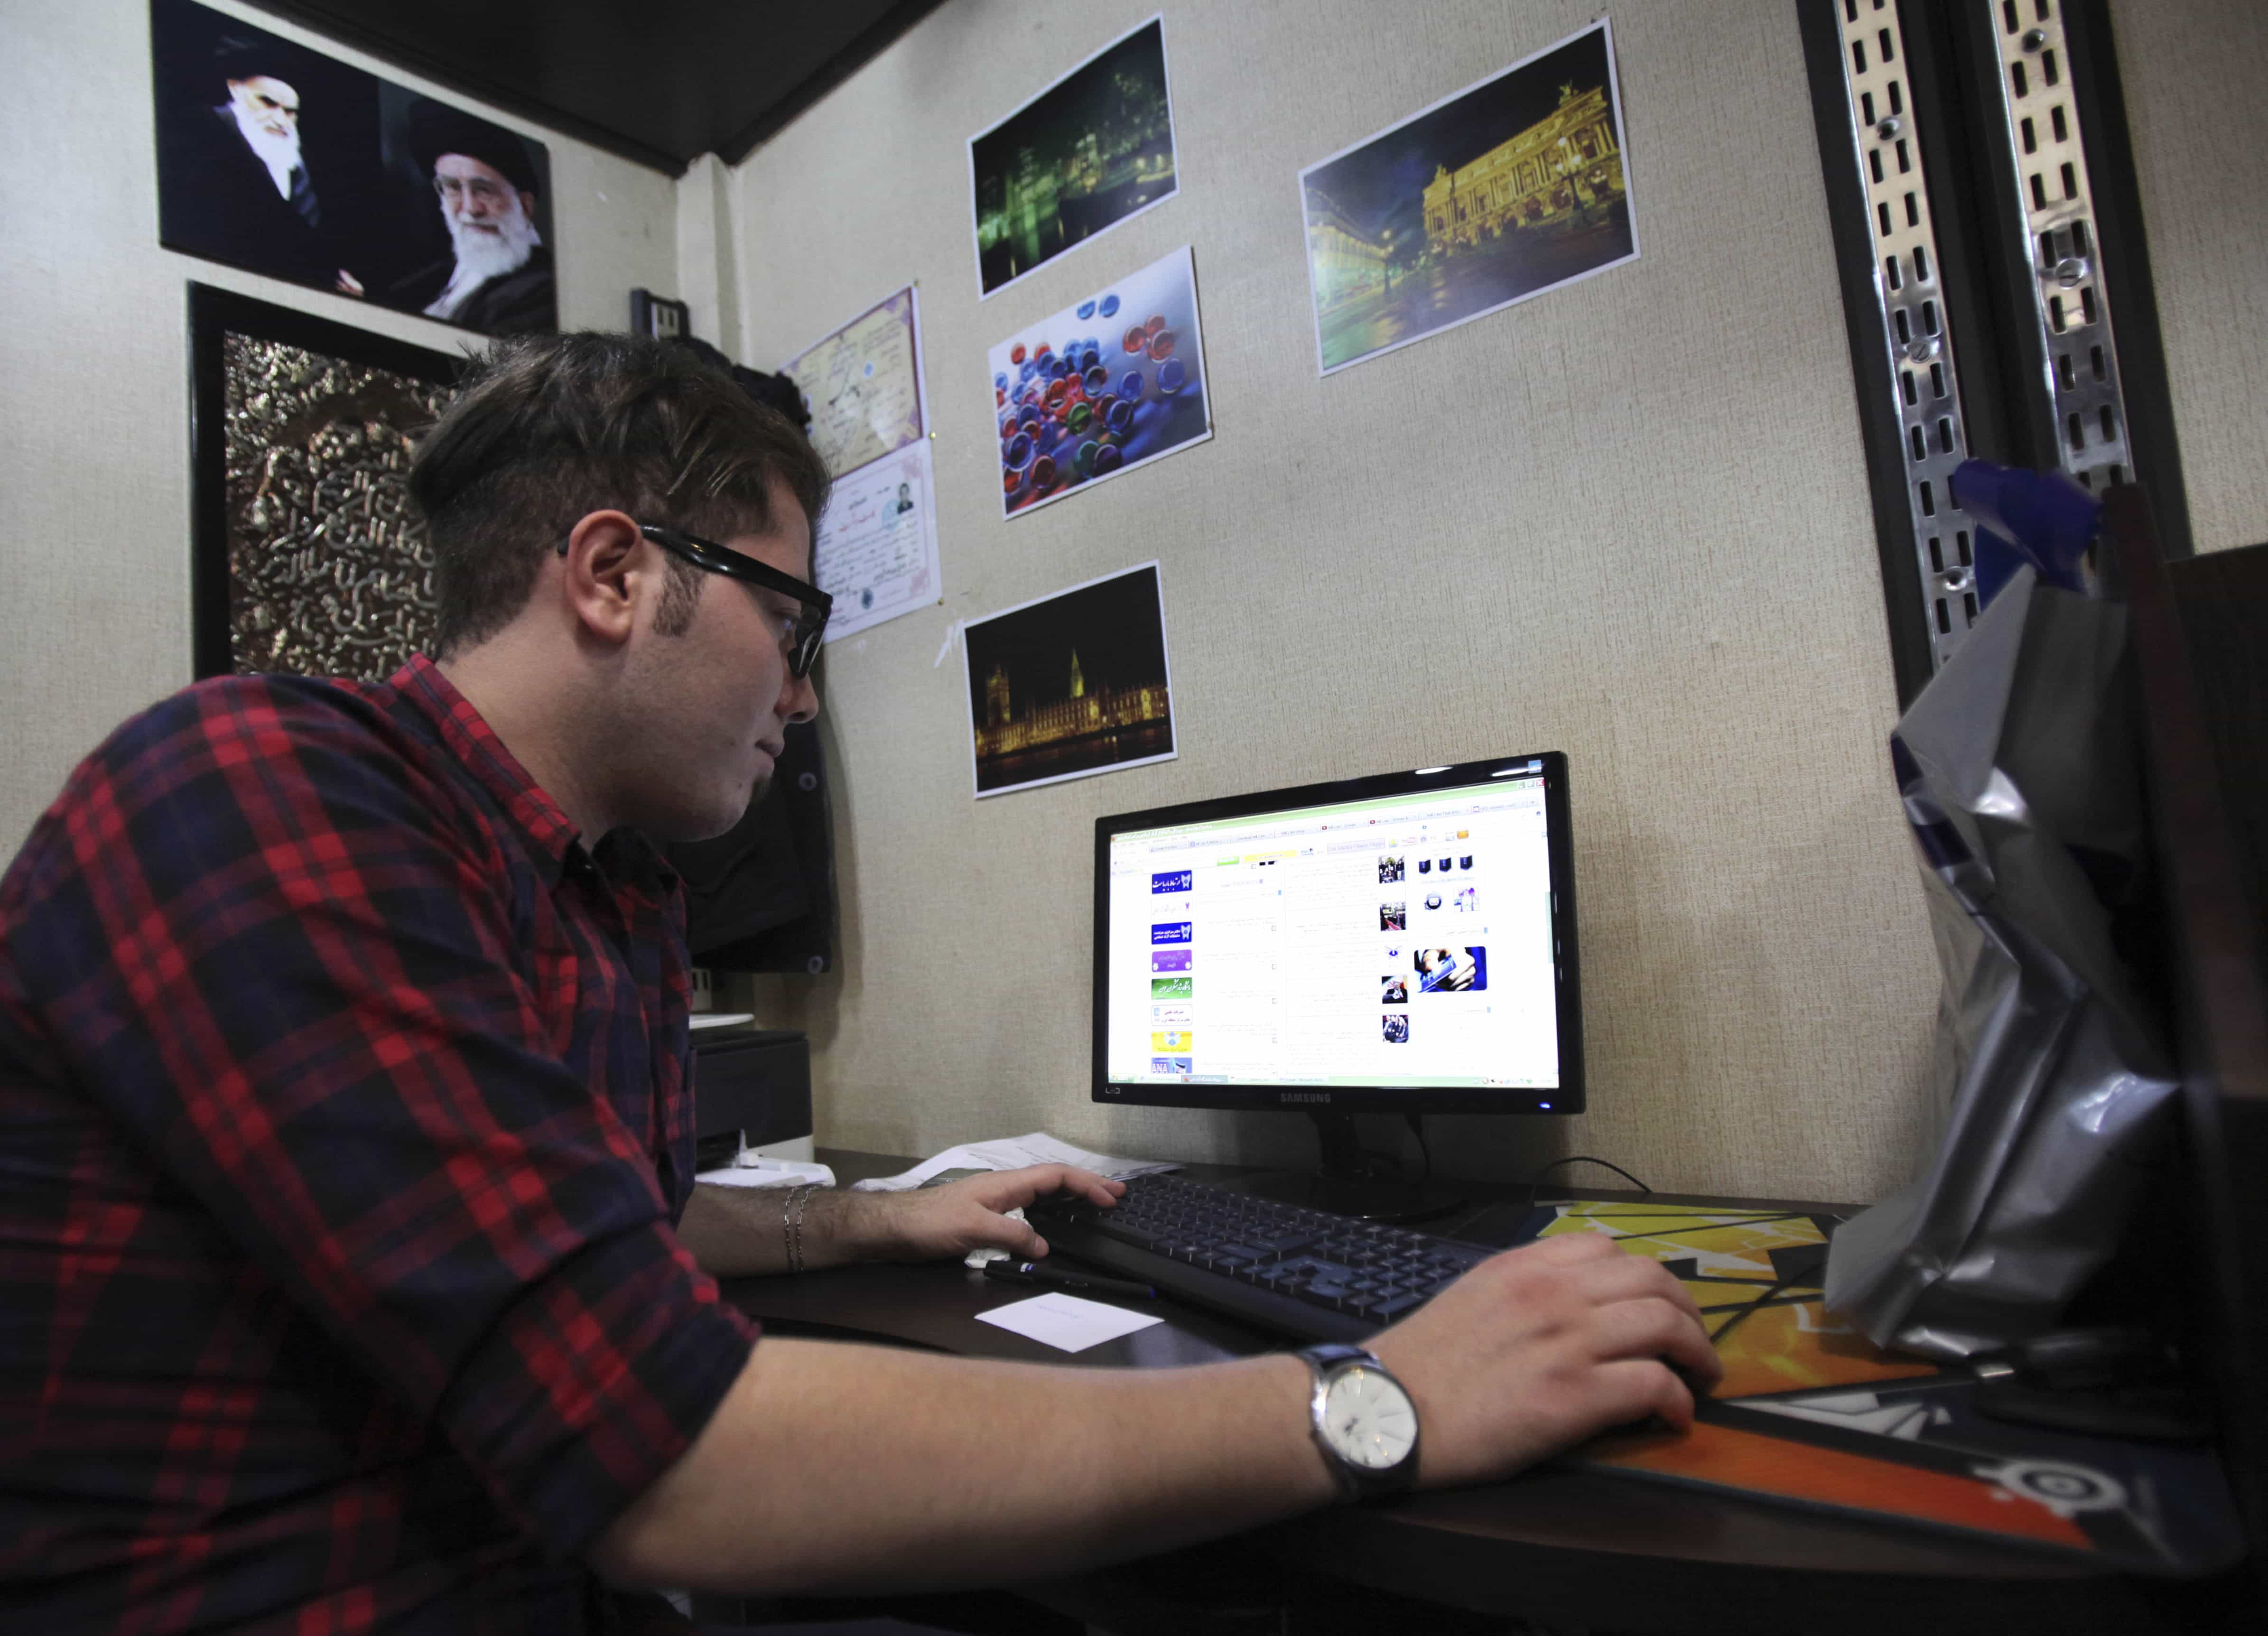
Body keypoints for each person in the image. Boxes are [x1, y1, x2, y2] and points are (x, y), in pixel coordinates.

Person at [0, 334, 1718, 1630]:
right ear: (613, 575)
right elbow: (673, 1463)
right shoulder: (256, 793)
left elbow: (591, 1221)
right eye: (793, 625)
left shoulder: (612, 892)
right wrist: (1384, 1395)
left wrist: (877, 1220)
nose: (803, 696)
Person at [158, 36, 366, 297]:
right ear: (234, 88)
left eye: (291, 111)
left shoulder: (304, 160)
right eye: (268, 103)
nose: (281, 120)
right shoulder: (196, 139)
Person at [390, 99, 557, 334]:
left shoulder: (543, 293)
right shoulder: (436, 274)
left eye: (484, 190)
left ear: (525, 207)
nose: (470, 209)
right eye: (453, 188)